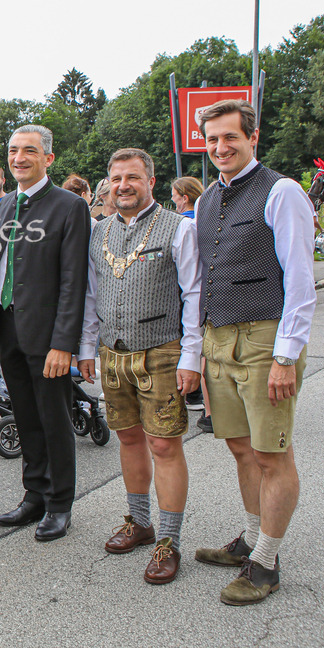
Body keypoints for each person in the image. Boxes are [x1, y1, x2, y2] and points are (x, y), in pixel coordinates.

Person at [191, 100, 316, 606]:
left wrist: (286, 356)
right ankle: (250, 537)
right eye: (212, 140)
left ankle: (265, 563)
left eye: (230, 138)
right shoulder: (205, 201)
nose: (221, 147)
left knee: (271, 454)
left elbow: (302, 282)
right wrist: (199, 349)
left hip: (265, 339)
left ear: (253, 138)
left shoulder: (281, 191)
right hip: (219, 339)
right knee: (240, 447)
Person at [78, 148, 201, 583]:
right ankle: (140, 520)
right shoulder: (99, 231)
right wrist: (86, 347)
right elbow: (91, 294)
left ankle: (169, 541)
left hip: (162, 351)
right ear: (108, 183)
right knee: (128, 438)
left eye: (133, 177)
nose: (123, 185)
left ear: (151, 181)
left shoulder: (178, 228)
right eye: (116, 178)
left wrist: (192, 355)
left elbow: (194, 294)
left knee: (165, 445)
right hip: (113, 350)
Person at [0, 124, 90, 542]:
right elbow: (0, 271)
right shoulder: (6, 203)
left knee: (54, 419)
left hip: (48, 337)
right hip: (9, 330)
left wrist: (63, 343)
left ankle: (60, 503)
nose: (18, 158)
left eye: (29, 151)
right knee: (26, 417)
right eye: (13, 150)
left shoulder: (69, 206)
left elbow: (73, 279)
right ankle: (35, 494)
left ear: (48, 158)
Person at [170, 176, 210, 424]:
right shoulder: (207, 218)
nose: (173, 200)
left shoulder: (182, 223)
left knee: (190, 337)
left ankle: (193, 392)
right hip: (209, 287)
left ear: (184, 198)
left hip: (186, 289)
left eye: (174, 196)